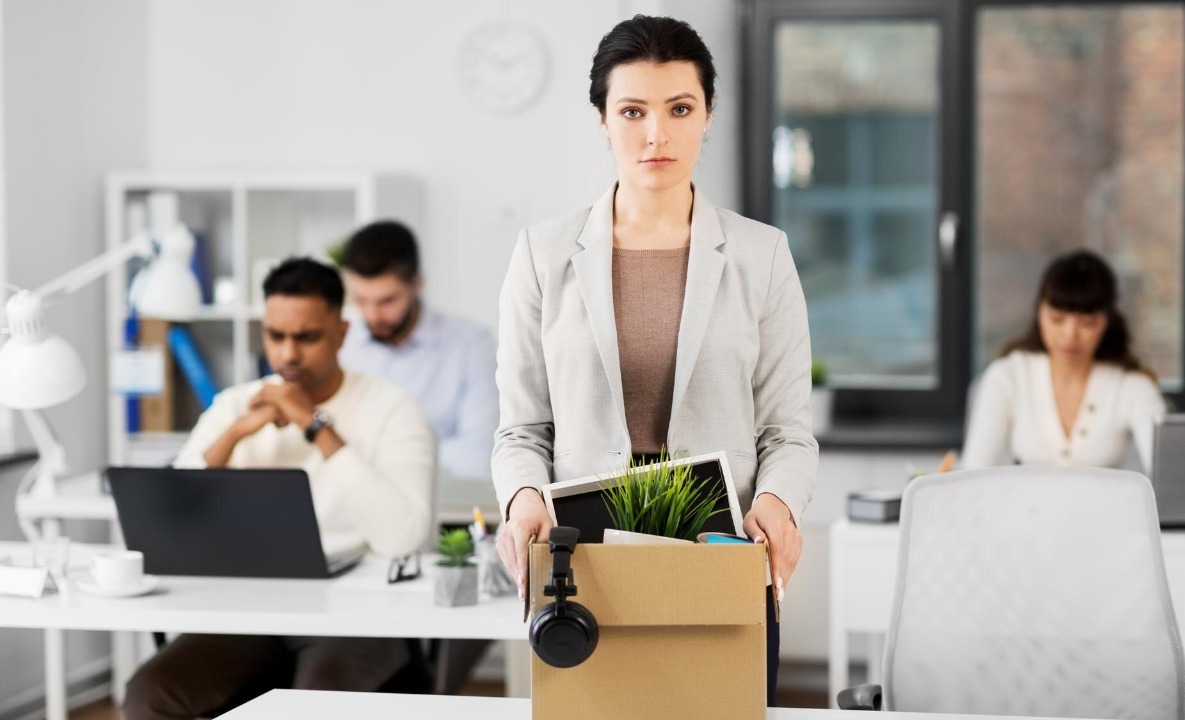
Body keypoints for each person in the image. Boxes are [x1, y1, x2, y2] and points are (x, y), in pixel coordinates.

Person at [490, 15, 818, 706]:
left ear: (707, 114)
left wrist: (779, 503)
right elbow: (522, 431)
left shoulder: (763, 256)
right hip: (585, 565)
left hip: (719, 558)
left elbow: (787, 431)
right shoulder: (542, 256)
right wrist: (522, 497)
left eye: (679, 109)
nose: (656, 135)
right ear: (602, 119)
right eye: (632, 110)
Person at [123, 258, 435, 720]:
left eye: (306, 337)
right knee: (150, 694)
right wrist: (233, 435)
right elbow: (177, 513)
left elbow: (402, 536)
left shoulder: (392, 409)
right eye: (275, 336)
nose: (288, 354)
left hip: (358, 616)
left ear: (342, 333)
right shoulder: (235, 405)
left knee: (308, 706)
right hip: (248, 612)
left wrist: (316, 426)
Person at [962, 249, 1167, 473]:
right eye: (1057, 319)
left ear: (1107, 322)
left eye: (1087, 322)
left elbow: (1170, 473)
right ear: (1039, 312)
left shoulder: (1132, 385)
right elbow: (974, 471)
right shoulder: (1008, 375)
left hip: (1103, 508)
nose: (1070, 334)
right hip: (1023, 507)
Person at [339, 220, 498, 479]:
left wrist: (376, 457)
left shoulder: (471, 344)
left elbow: (480, 453)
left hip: (446, 504)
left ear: (417, 284)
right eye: (361, 300)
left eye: (387, 301)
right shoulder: (342, 344)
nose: (372, 316)